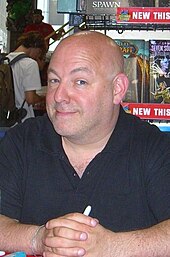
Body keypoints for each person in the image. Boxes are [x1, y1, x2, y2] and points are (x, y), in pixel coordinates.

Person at [0, 31, 170, 257]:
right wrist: (40, 239)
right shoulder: (21, 142)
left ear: (117, 89)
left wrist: (112, 247)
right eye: (54, 80)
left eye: (80, 82)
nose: (59, 96)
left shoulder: (153, 148)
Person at [7, 31, 46, 122]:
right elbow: (30, 99)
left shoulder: (6, 59)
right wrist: (43, 98)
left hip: (6, 116)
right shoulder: (30, 64)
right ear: (36, 47)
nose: (37, 56)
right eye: (39, 52)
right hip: (22, 118)